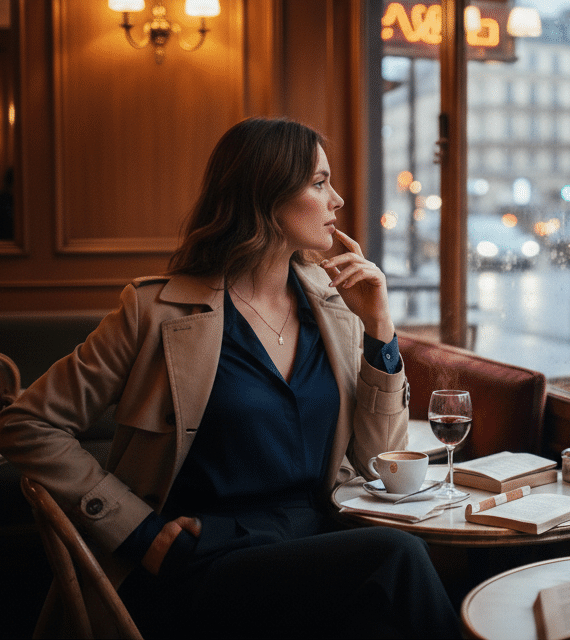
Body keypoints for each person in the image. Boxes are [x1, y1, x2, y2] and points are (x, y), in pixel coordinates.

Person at [0, 117, 460, 639]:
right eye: (319, 182)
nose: (338, 201)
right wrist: (137, 533)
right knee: (396, 559)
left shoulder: (334, 309)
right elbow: (27, 424)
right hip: (202, 561)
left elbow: (379, 460)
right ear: (265, 193)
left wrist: (379, 329)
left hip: (316, 540)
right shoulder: (155, 312)